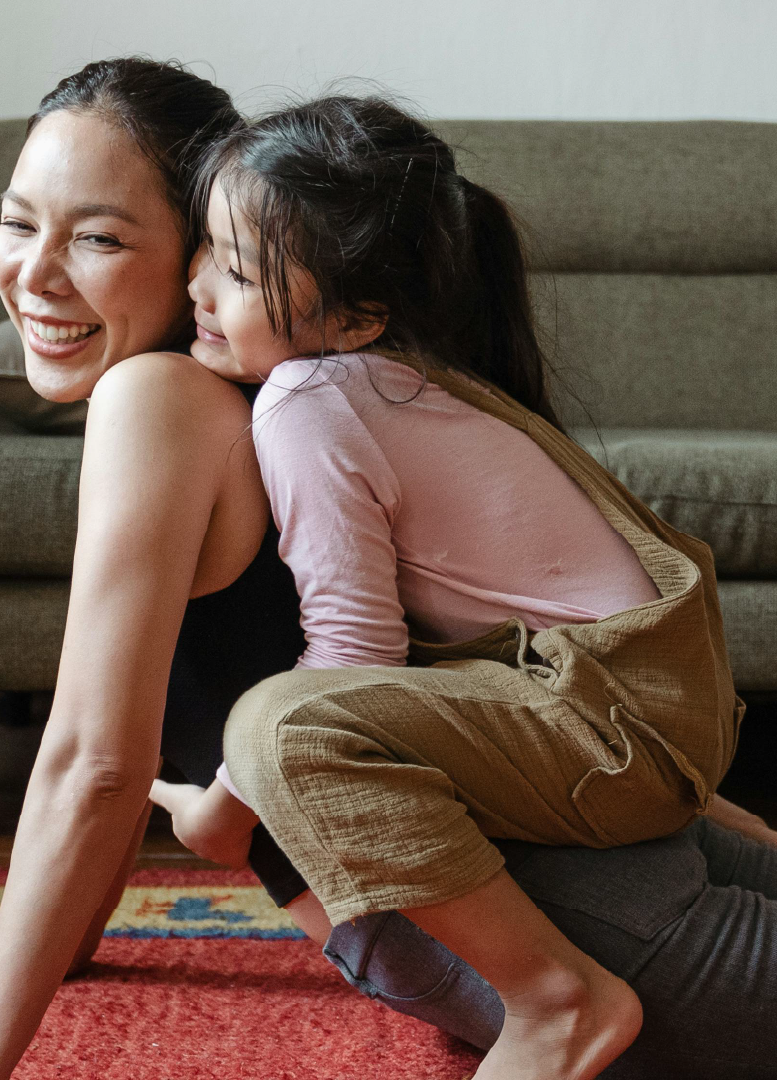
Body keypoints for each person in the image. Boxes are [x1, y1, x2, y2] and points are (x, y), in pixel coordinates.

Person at [0, 60, 777, 1080]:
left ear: (195, 249)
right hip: (613, 870)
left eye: (98, 237)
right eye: (16, 222)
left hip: (580, 924)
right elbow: (132, 730)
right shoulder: (298, 388)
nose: (34, 273)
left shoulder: (169, 402)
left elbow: (97, 764)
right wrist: (50, 936)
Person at [147, 96, 740, 1079]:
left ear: (360, 315)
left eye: (241, 270)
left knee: (281, 725)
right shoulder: (400, 380)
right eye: (205, 250)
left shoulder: (311, 397)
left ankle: (556, 1005)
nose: (200, 288)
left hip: (612, 727)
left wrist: (226, 807)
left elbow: (351, 652)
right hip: (649, 715)